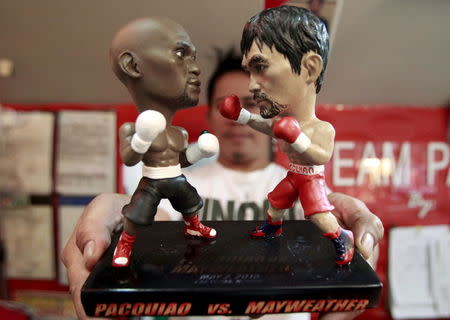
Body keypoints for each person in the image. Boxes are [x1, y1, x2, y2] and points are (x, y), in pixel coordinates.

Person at [62, 48, 383, 319]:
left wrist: (354, 258)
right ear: (211, 116)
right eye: (228, 105)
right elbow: (157, 228)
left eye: (253, 102)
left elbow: (323, 210)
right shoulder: (183, 181)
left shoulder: (299, 180)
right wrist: (123, 213)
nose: (240, 115)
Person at [221, 6, 354, 265]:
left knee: (317, 214)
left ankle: (342, 237)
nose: (251, 85)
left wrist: (297, 139)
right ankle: (273, 227)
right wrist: (242, 116)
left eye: (260, 66)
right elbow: (265, 126)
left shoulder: (321, 129)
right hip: (294, 174)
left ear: (309, 68)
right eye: (249, 70)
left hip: (311, 179)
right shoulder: (282, 123)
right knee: (276, 200)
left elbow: (321, 156)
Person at [108, 17, 220, 268]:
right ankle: (125, 243)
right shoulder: (133, 129)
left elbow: (181, 159)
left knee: (191, 202)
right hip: (151, 181)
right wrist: (143, 138)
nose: (195, 68)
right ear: (132, 65)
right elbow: (129, 158)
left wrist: (199, 151)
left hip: (175, 178)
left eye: (193, 56)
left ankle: (193, 227)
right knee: (137, 214)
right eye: (181, 53)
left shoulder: (179, 133)